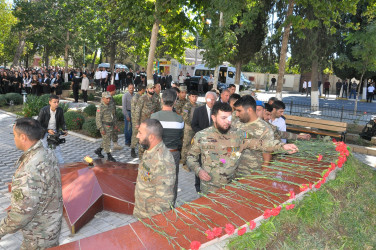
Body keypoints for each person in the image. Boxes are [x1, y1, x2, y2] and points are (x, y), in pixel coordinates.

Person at [187, 102, 298, 195]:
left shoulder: (239, 135)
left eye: (229, 117)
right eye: (223, 118)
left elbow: (259, 143)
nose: (227, 121)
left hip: (232, 186)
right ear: (214, 117)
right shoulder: (201, 136)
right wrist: (198, 170)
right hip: (209, 188)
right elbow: (191, 157)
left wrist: (282, 146)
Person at [0, 118, 63, 249]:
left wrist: (1, 230)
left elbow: (21, 215)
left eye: (14, 135)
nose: (14, 139)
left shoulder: (28, 170)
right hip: (52, 228)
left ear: (23, 137)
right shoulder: (47, 152)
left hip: (38, 237)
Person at [133, 119, 176, 219]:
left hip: (151, 218)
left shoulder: (162, 160)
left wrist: (154, 222)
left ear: (151, 137)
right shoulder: (149, 150)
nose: (137, 136)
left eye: (140, 133)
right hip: (142, 210)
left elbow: (164, 200)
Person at [151, 89, 184, 205]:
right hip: (173, 154)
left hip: (157, 153)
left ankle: (156, 205)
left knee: (156, 179)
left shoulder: (154, 117)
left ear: (161, 100)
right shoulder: (180, 119)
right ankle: (170, 206)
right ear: (175, 101)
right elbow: (181, 137)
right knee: (172, 182)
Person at [191, 91, 217, 192]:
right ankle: (198, 187)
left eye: (213, 99)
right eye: (209, 99)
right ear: (206, 99)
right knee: (200, 163)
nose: (211, 101)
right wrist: (203, 136)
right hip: (202, 142)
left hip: (215, 143)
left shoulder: (217, 111)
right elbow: (194, 124)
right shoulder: (198, 110)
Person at [132, 83, 161, 158]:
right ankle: (138, 154)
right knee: (141, 139)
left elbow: (158, 110)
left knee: (150, 139)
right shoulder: (142, 98)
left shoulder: (156, 98)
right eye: (150, 89)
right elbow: (137, 111)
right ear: (147, 89)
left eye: (153, 88)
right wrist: (137, 123)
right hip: (143, 123)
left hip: (152, 124)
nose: (152, 90)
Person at [37, 94, 68, 164]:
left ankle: (62, 165)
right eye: (54, 102)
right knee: (44, 149)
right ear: (50, 102)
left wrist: (65, 129)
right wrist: (47, 130)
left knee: (57, 149)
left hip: (54, 132)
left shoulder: (60, 110)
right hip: (44, 132)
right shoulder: (43, 110)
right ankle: (44, 164)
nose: (56, 104)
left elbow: (62, 121)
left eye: (57, 102)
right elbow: (38, 124)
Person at [95, 92, 117, 162]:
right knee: (107, 141)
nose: (108, 100)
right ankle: (109, 156)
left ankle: (98, 150)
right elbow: (98, 119)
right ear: (103, 98)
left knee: (106, 140)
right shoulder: (100, 107)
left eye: (109, 98)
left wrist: (115, 124)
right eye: (107, 98)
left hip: (111, 125)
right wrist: (101, 128)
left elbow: (114, 115)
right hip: (104, 126)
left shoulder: (111, 104)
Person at [181, 90, 199, 170]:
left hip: (196, 129)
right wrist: (192, 125)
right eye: (193, 96)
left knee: (194, 146)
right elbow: (185, 117)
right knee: (186, 145)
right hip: (189, 128)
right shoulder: (187, 105)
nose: (194, 98)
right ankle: (184, 163)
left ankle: (192, 162)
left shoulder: (198, 106)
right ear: (189, 97)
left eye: (196, 96)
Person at [130, 85, 146, 158]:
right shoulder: (136, 98)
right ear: (142, 90)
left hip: (141, 119)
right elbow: (134, 111)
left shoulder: (141, 97)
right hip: (136, 120)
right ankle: (132, 149)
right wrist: (136, 121)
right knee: (135, 135)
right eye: (144, 89)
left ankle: (141, 149)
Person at [106, 84, 123, 150]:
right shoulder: (107, 98)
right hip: (109, 119)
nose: (115, 91)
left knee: (114, 131)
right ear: (111, 90)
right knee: (109, 133)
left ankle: (115, 144)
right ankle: (105, 147)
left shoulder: (111, 98)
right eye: (114, 90)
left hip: (113, 118)